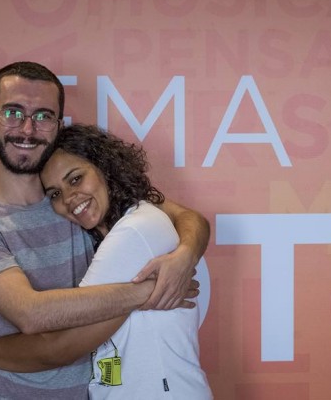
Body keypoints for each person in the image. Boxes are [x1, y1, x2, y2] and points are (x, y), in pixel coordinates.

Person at [0, 61, 209, 399]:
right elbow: (32, 314)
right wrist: (152, 291)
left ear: (57, 124)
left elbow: (187, 217)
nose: (26, 129)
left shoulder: (82, 205)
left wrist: (185, 255)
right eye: (12, 112)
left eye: (42, 116)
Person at [36, 124, 211, 398]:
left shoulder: (134, 230)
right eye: (55, 194)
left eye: (75, 179)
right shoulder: (117, 233)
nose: (69, 198)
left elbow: (61, 339)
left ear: (104, 168)